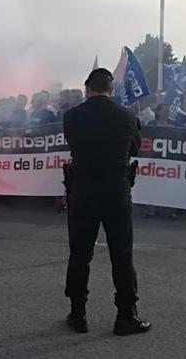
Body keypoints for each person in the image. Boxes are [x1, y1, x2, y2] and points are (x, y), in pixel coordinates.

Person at [62, 68, 151, 336]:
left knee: (79, 254)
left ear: (88, 89)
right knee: (122, 255)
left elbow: (73, 144)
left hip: (84, 191)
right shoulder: (127, 116)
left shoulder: (72, 116)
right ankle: (126, 316)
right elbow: (135, 149)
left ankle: (78, 315)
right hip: (116, 192)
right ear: (111, 90)